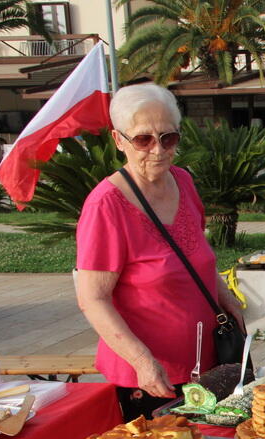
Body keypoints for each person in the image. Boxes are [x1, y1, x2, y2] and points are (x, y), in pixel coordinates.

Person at [76, 83, 245, 419]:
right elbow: (92, 299)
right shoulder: (106, 205)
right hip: (154, 378)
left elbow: (197, 256)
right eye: (143, 139)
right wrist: (141, 360)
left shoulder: (182, 181)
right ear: (118, 140)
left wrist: (227, 300)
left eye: (169, 138)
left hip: (208, 364)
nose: (158, 150)